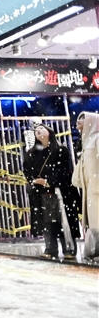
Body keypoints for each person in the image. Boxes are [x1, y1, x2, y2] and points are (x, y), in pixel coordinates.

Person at [23, 124, 77, 260]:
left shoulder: (61, 150)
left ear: (49, 131)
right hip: (43, 192)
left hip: (60, 191)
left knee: (64, 219)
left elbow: (65, 170)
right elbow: (27, 170)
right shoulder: (31, 153)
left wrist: (49, 181)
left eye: (41, 128)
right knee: (48, 221)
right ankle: (50, 248)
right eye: (36, 131)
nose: (38, 131)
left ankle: (69, 248)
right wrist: (35, 181)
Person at [73, 111, 99, 259]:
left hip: (96, 187)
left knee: (97, 221)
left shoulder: (97, 138)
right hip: (90, 188)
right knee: (94, 223)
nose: (78, 123)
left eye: (82, 120)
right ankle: (94, 251)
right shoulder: (86, 141)